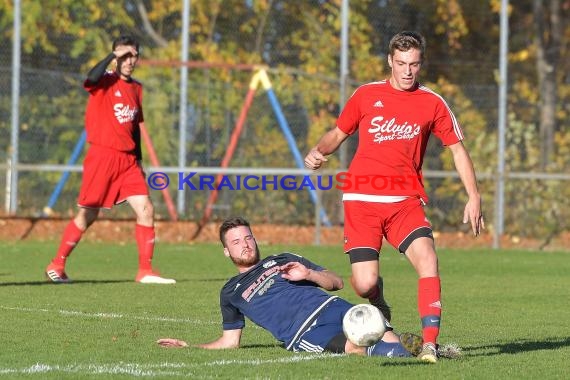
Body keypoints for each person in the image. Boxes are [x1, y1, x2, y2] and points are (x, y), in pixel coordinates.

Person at [303, 31, 484, 363]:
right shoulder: (366, 94)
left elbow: (458, 150)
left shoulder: (433, 103)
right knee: (363, 283)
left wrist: (474, 196)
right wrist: (318, 151)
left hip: (405, 203)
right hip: (361, 200)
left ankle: (429, 344)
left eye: (414, 64)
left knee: (428, 259)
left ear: (421, 63)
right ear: (390, 61)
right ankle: (378, 298)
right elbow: (339, 132)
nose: (407, 71)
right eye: (401, 63)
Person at [157, 216, 423, 358]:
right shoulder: (231, 292)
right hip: (305, 331)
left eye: (248, 237)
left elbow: (337, 282)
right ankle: (419, 352)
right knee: (358, 349)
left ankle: (425, 351)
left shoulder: (282, 259)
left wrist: (308, 273)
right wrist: (190, 347)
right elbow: (230, 342)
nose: (245, 244)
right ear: (227, 252)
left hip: (332, 307)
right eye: (236, 242)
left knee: (385, 336)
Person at [44, 35, 175, 285]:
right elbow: (90, 78)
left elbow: (135, 129)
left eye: (133, 55)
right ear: (115, 57)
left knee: (146, 209)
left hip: (128, 162)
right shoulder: (103, 82)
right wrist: (113, 56)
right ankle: (57, 264)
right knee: (87, 216)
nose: (129, 60)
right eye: (124, 55)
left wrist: (139, 161)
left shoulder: (137, 88)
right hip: (102, 157)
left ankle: (145, 270)